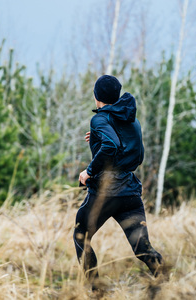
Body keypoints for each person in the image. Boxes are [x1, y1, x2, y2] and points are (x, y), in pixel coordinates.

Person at [74, 75, 163, 289]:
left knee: (80, 237)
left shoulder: (98, 119)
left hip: (105, 193)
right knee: (142, 248)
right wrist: (97, 138)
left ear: (97, 97)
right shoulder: (132, 119)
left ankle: (96, 291)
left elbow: (111, 146)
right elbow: (136, 153)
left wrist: (89, 171)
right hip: (130, 194)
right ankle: (168, 283)